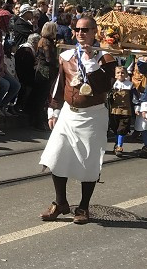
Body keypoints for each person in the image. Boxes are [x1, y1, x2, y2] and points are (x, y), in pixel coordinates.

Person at [39, 16, 118, 224]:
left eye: (85, 30)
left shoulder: (106, 59)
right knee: (56, 156)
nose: (81, 33)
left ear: (95, 32)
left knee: (89, 163)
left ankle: (83, 207)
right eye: (77, 30)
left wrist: (92, 62)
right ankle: (61, 202)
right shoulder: (66, 56)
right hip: (68, 113)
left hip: (92, 114)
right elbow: (60, 84)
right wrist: (53, 111)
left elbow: (104, 87)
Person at [108, 65, 135, 156]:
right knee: (115, 128)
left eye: (123, 73)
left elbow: (135, 97)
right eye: (118, 73)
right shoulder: (112, 85)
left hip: (126, 110)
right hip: (114, 110)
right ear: (115, 75)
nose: (120, 74)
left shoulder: (130, 85)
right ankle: (116, 144)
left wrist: (138, 107)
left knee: (122, 128)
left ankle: (120, 145)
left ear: (126, 74)